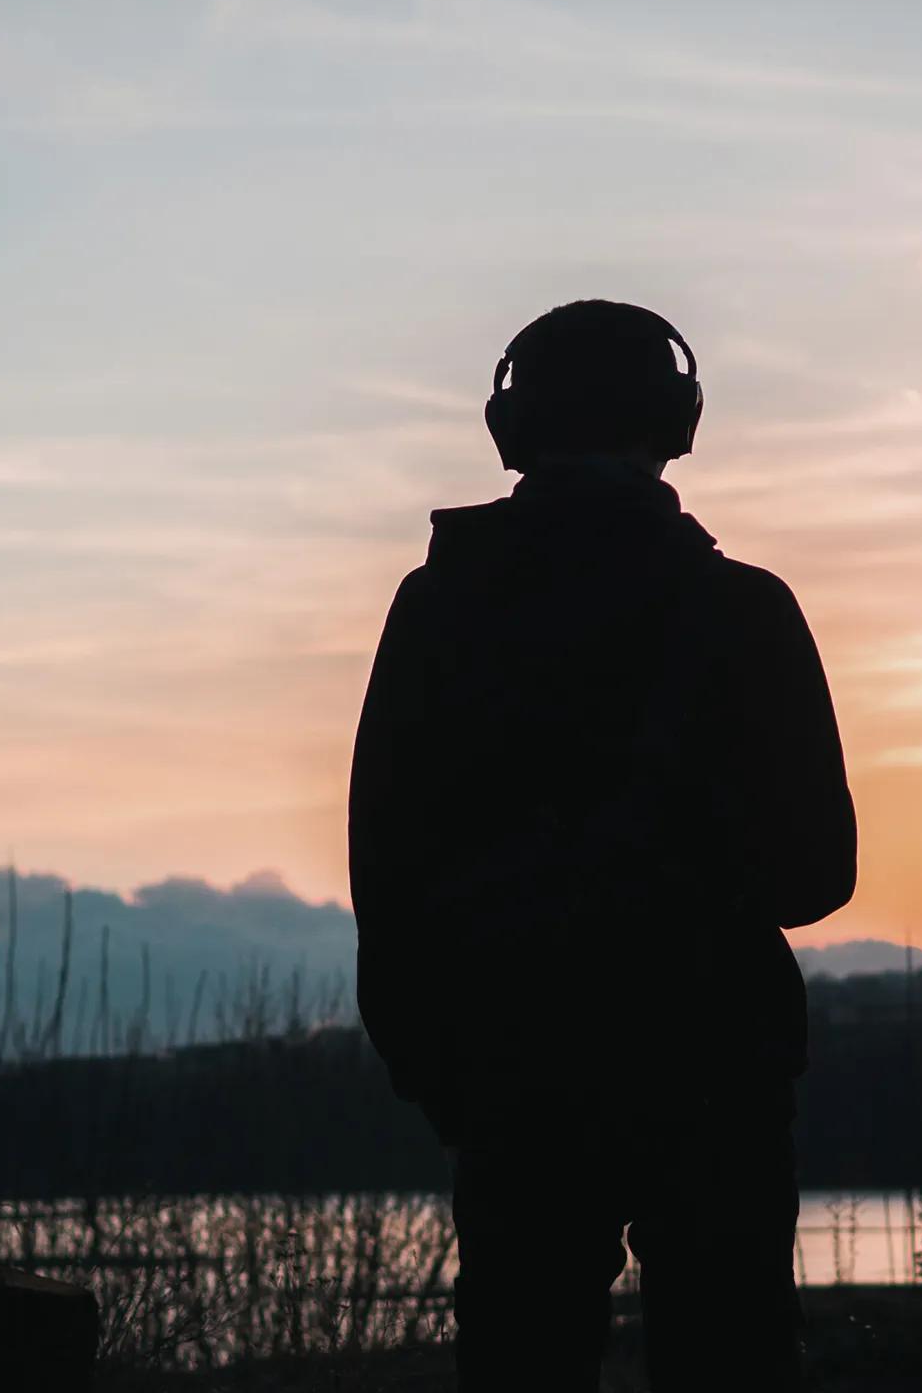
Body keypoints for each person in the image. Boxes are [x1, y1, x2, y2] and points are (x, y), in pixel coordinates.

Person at [349, 300, 857, 1390]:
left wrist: (438, 1067)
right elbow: (816, 875)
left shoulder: (436, 613)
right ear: (677, 422)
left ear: (511, 427)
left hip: (508, 1066)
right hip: (714, 1068)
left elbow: (385, 868)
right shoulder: (745, 612)